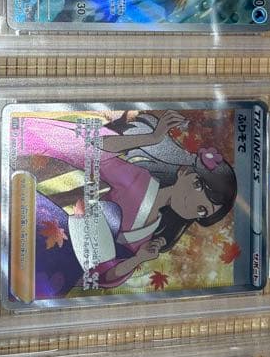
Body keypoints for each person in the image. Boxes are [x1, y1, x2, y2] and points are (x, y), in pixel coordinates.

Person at [12, 110, 236, 299]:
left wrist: (139, 258)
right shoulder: (139, 180)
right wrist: (150, 138)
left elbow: (104, 277)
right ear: (185, 172)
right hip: (43, 226)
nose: (193, 203)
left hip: (57, 271)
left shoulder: (150, 237)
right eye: (197, 185)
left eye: (202, 210)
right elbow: (95, 151)